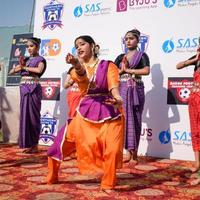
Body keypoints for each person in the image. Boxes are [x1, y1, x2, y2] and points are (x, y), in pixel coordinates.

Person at [47, 35, 124, 193]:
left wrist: (118, 98)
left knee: (113, 150)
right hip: (85, 112)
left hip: (110, 111)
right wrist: (76, 64)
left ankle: (108, 183)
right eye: (76, 46)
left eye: (82, 44)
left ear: (93, 46)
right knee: (58, 145)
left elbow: (113, 86)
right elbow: (85, 82)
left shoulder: (108, 66)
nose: (79, 48)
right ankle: (52, 175)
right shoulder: (76, 70)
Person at [114, 29, 150, 164]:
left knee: (135, 120)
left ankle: (134, 155)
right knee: (123, 120)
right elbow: (112, 71)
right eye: (126, 39)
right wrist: (120, 71)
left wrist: (127, 70)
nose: (128, 41)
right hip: (122, 90)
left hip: (136, 89)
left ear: (137, 40)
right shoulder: (120, 57)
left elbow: (146, 70)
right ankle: (127, 153)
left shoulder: (142, 55)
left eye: (131, 38)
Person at [9, 37, 46, 153]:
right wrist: (19, 67)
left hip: (33, 89)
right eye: (27, 47)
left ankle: (34, 145)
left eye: (31, 46)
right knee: (25, 116)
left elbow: (39, 71)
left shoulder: (41, 59)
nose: (29, 48)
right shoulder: (25, 59)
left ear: (37, 47)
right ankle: (28, 145)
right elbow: (11, 72)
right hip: (24, 88)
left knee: (33, 117)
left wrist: (24, 67)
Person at [176, 48, 200, 185]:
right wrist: (194, 60)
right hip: (194, 100)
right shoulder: (196, 58)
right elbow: (178, 66)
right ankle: (197, 163)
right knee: (196, 132)